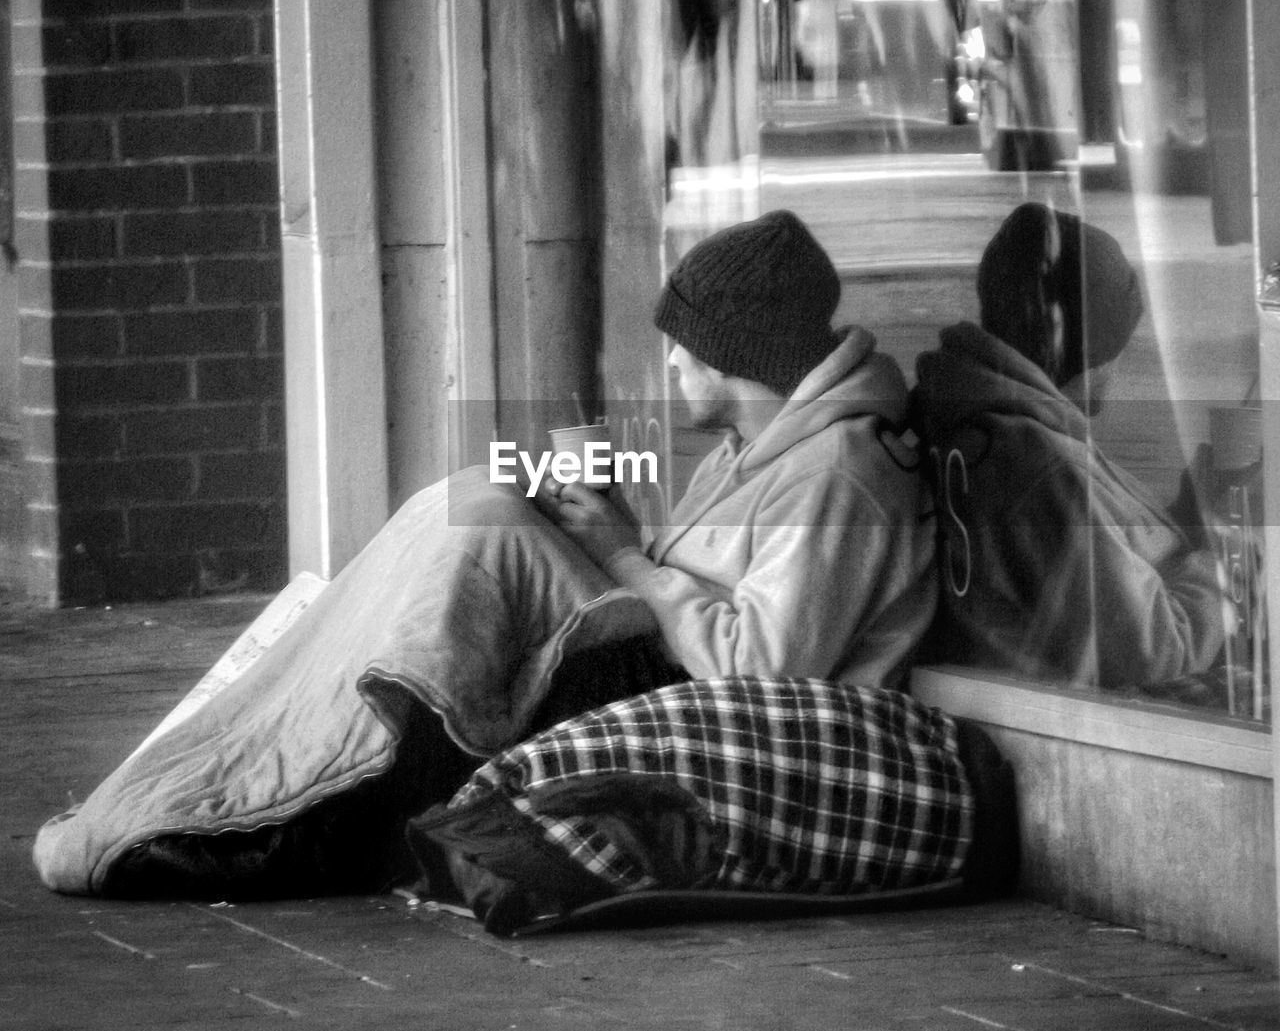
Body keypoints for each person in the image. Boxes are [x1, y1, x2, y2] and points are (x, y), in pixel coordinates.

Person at [34, 209, 936, 900]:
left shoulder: (842, 474)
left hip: (721, 713)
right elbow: (696, 579)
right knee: (477, 501)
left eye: (683, 345)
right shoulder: (768, 445)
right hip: (659, 662)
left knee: (485, 533)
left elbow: (766, 663)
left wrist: (623, 558)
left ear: (734, 357)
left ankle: (269, 809)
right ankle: (231, 775)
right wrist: (609, 530)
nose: (667, 364)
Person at [913, 202, 1225, 690]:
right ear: (1091, 348)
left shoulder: (993, 423)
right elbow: (1159, 651)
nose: (1116, 370)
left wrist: (1188, 512)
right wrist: (1217, 555)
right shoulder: (1033, 466)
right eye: (1116, 347)